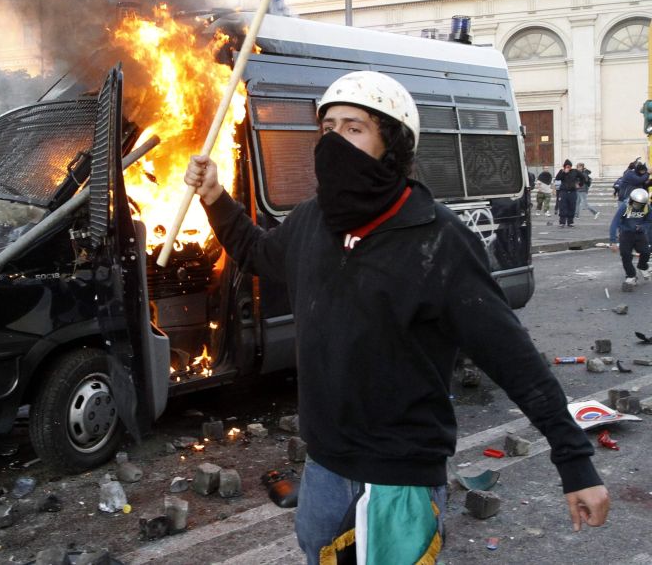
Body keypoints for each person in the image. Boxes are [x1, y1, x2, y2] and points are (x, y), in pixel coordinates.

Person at [183, 70, 609, 562]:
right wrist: (214, 196)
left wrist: (574, 462)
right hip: (324, 467)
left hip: (400, 477)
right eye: (328, 128)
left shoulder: (438, 240)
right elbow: (257, 252)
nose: (335, 142)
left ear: (394, 143)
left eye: (354, 128)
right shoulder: (312, 221)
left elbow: (513, 358)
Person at [609, 188, 652, 289]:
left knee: (645, 252)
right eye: (636, 203)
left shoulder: (647, 207)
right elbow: (615, 222)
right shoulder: (625, 206)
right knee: (626, 255)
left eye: (640, 204)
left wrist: (642, 227)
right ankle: (631, 276)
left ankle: (642, 266)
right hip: (626, 234)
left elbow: (649, 221)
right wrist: (613, 241)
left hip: (639, 234)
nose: (637, 206)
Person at [554, 160, 583, 228]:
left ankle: (570, 222)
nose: (568, 167)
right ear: (564, 166)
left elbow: (583, 177)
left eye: (569, 166)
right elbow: (557, 178)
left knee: (572, 207)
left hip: (572, 192)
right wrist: (564, 172)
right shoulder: (561, 171)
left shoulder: (575, 171)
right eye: (567, 166)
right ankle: (562, 222)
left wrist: (580, 184)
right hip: (563, 192)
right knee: (562, 207)